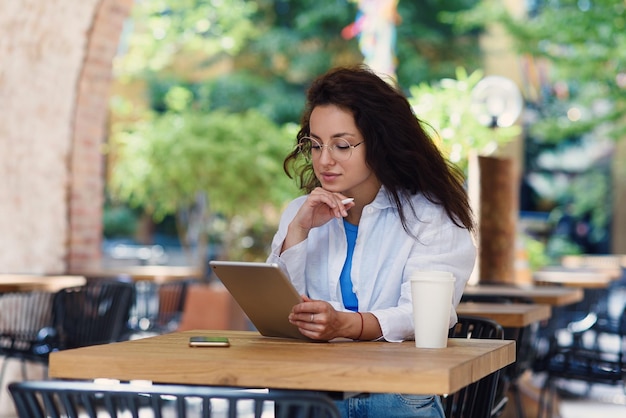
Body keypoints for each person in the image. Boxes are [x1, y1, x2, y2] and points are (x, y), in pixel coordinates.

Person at [267, 65, 476, 418]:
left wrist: (345, 324)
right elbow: (279, 316)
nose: (324, 160)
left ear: (379, 142)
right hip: (309, 393)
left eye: (342, 145)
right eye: (315, 145)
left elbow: (425, 316)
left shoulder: (430, 216)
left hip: (394, 396)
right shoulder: (300, 213)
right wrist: (298, 233)